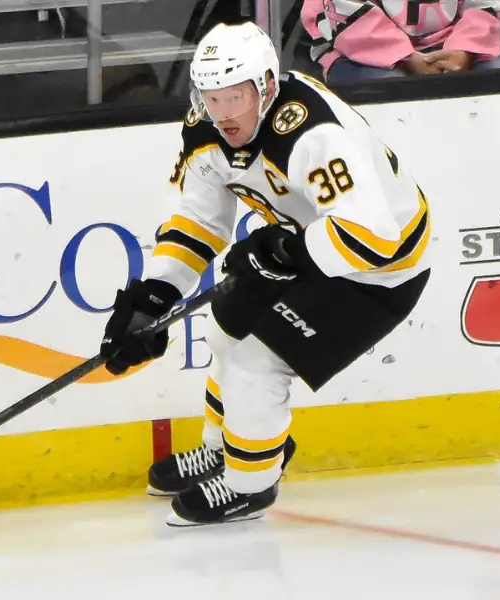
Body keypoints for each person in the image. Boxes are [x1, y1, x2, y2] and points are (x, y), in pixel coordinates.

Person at [99, 21, 432, 527]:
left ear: (267, 88)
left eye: (236, 98)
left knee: (258, 363)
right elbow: (200, 221)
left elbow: (375, 236)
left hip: (382, 272)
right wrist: (155, 295)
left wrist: (286, 250)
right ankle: (226, 449)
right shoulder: (204, 129)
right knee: (227, 326)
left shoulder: (312, 133)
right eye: (212, 99)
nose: (224, 114)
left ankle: (250, 484)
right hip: (311, 246)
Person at [302, 0, 500, 86]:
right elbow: (337, 8)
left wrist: (465, 49)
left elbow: (490, 4)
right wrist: (405, 55)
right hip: (361, 53)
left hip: (458, 47)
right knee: (394, 98)